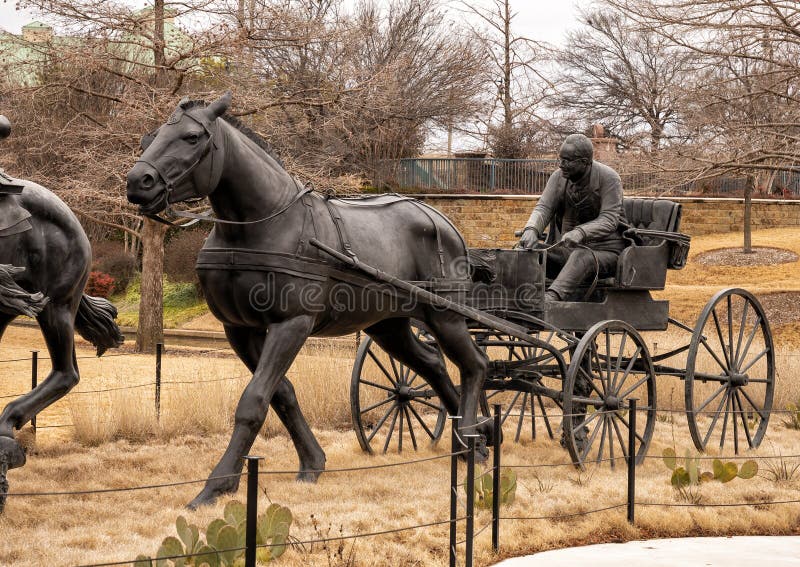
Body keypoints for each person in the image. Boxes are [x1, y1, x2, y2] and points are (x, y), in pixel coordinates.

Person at [518, 133, 627, 301]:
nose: (561, 164)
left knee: (582, 257)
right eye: (560, 159)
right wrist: (532, 229)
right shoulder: (558, 177)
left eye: (567, 160)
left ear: (584, 162)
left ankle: (551, 299)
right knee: (526, 253)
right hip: (568, 250)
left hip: (607, 252)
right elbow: (544, 207)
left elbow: (609, 219)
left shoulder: (609, 178)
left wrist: (580, 233)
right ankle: (516, 295)